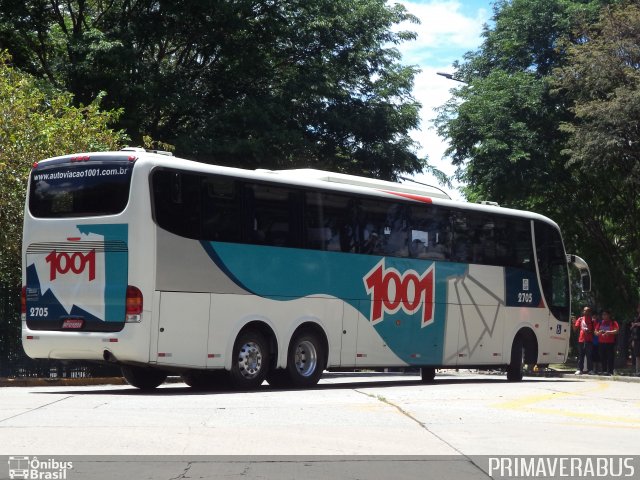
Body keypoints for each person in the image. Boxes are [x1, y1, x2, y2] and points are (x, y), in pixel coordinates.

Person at [595, 309, 619, 376]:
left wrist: (609, 332)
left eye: (605, 314)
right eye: (603, 315)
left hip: (610, 343)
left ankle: (610, 371)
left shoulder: (613, 322)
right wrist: (598, 333)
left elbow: (616, 331)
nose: (604, 316)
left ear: (609, 315)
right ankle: (604, 371)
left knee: (610, 357)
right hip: (601, 343)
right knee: (603, 357)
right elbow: (595, 332)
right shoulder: (600, 323)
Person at [573, 307, 595, 374]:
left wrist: (589, 331)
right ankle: (579, 369)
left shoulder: (592, 320)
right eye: (585, 311)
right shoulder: (580, 319)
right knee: (581, 355)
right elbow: (575, 329)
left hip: (589, 340)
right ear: (583, 312)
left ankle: (590, 370)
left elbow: (595, 330)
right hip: (581, 340)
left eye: (588, 311)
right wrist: (573, 323)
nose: (586, 312)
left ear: (590, 312)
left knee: (589, 356)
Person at [630, 304, 640, 376]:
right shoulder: (636, 317)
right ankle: (637, 371)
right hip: (636, 338)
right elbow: (633, 328)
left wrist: (636, 324)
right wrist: (633, 339)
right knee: (637, 355)